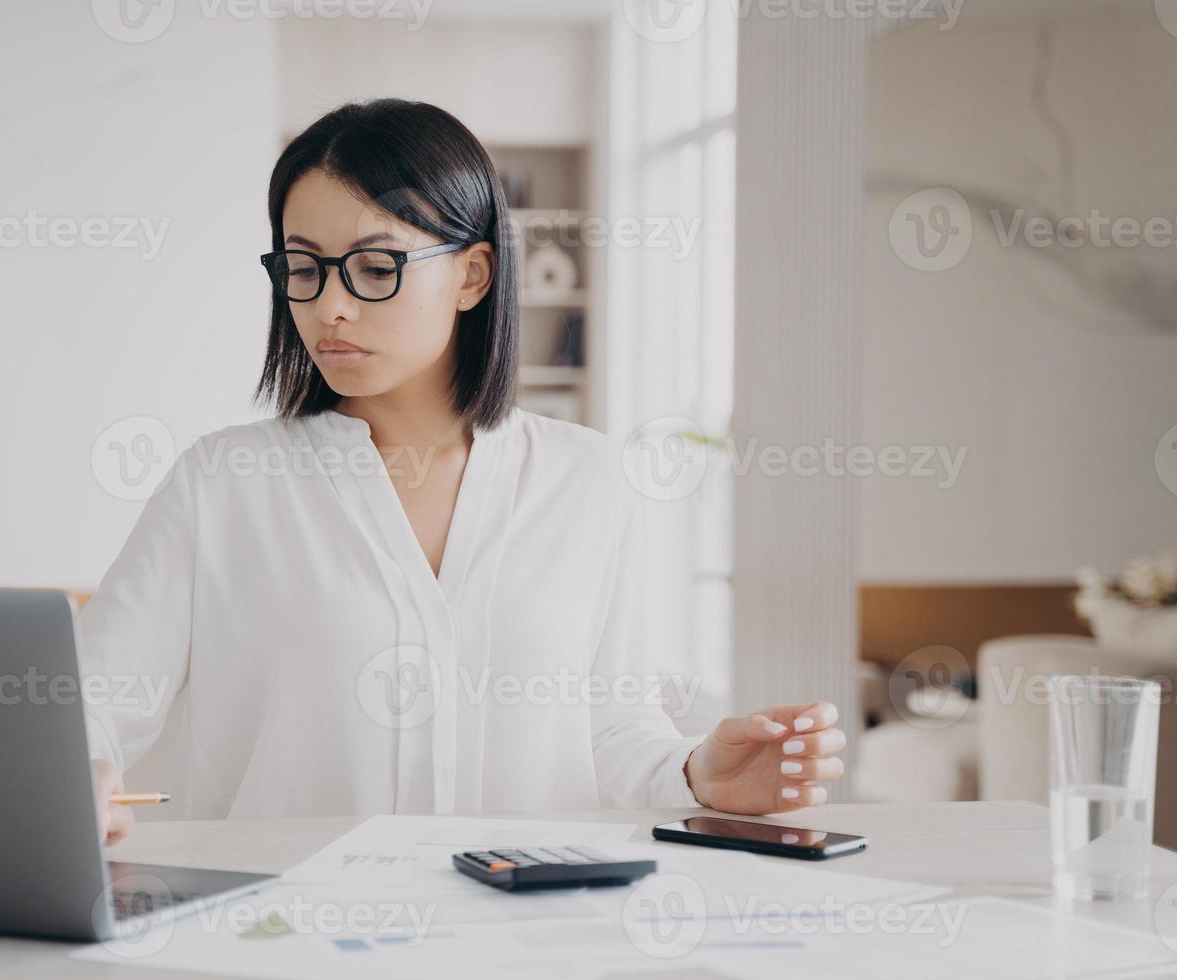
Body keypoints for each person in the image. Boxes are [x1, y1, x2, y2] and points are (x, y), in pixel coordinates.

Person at [81, 98, 844, 845]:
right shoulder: (222, 484)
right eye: (303, 268)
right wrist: (80, 773)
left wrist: (697, 775)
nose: (329, 307)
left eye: (376, 267)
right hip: (279, 936)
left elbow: (612, 731)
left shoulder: (586, 480)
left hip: (527, 937)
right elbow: (94, 699)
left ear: (473, 276)